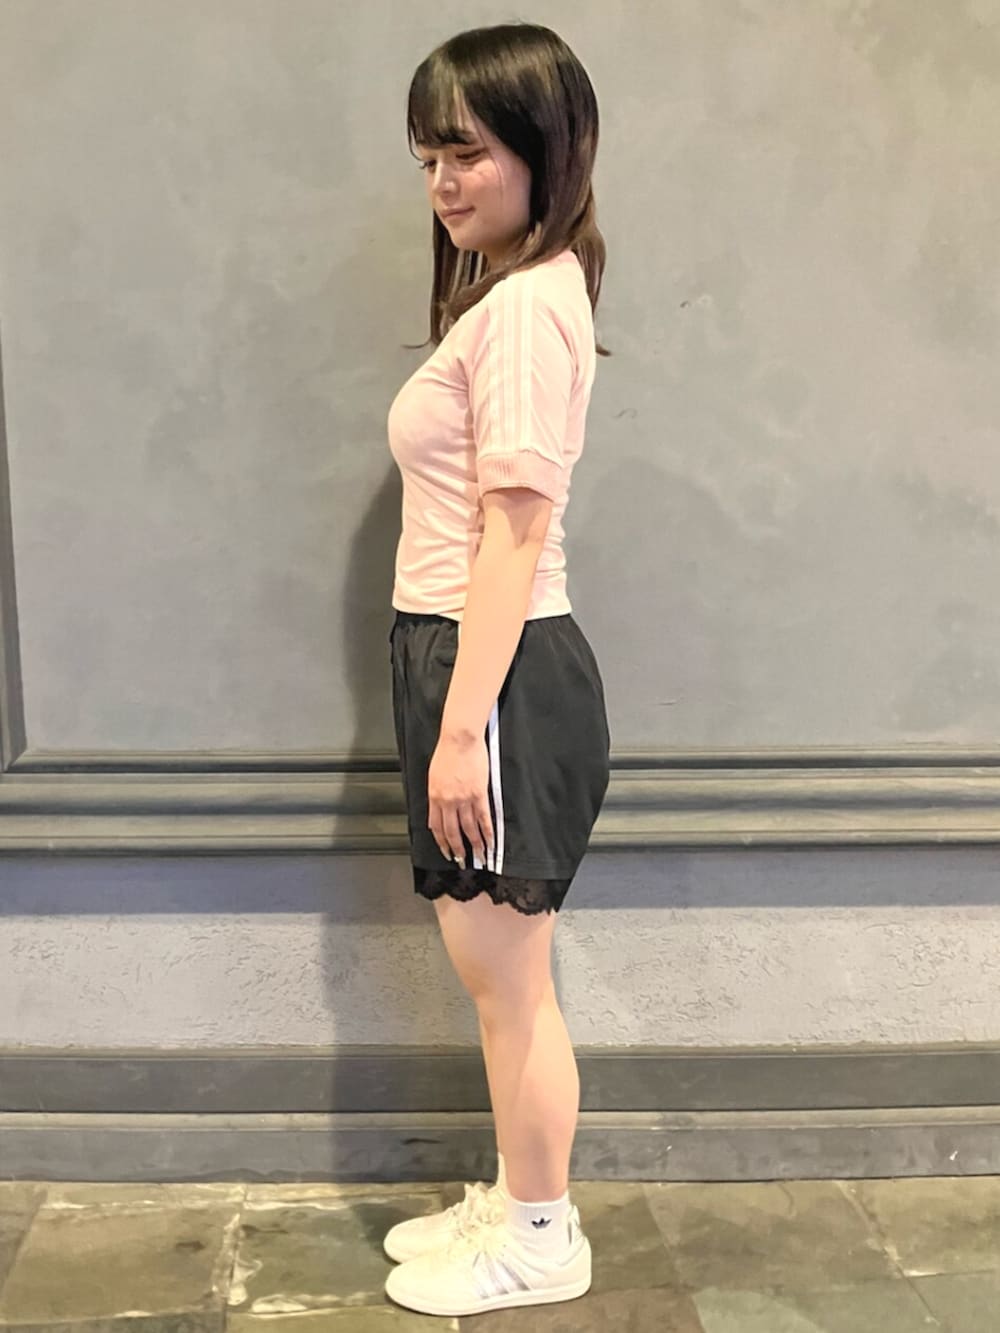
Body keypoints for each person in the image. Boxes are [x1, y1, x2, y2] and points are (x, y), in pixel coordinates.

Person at [382, 21, 612, 1319]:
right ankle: (523, 1197)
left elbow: (515, 536)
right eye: (428, 157)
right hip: (468, 662)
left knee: (510, 984)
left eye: (465, 152)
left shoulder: (524, 309)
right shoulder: (515, 293)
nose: (443, 183)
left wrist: (465, 729)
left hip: (497, 676)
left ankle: (540, 1237)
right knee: (500, 981)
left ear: (544, 149)